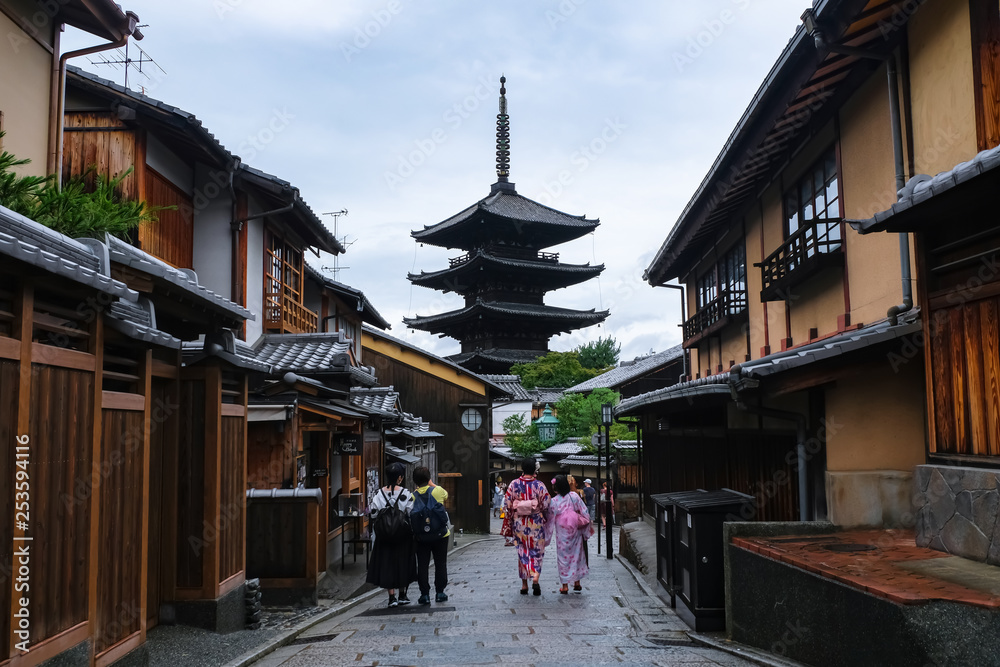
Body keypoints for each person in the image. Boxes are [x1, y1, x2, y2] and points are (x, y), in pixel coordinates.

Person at [366, 462, 416, 607]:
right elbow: (410, 513)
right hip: (402, 536)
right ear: (400, 478)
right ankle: (403, 595)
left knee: (387, 564)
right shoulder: (406, 494)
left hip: (384, 536)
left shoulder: (378, 494)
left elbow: (373, 513)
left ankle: (391, 597)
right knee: (402, 563)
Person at [501, 458, 552, 595]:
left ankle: (524, 585)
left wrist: (514, 512)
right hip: (536, 523)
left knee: (522, 552)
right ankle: (535, 578)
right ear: (535, 469)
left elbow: (507, 504)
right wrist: (537, 509)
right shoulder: (540, 485)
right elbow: (546, 503)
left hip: (520, 524)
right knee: (537, 552)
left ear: (522, 468)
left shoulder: (514, 484)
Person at [412, 466, 450, 604]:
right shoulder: (438, 491)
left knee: (422, 564)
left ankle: (425, 594)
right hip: (440, 534)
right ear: (428, 479)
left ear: (414, 481)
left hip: (421, 536)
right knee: (440, 563)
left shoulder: (412, 496)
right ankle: (440, 592)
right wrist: (432, 484)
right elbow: (446, 495)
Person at [550, 474, 592, 594]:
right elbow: (584, 511)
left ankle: (565, 586)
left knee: (563, 558)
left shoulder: (554, 501)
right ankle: (577, 583)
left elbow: (549, 517)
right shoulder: (574, 496)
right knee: (577, 556)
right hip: (575, 531)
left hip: (562, 533)